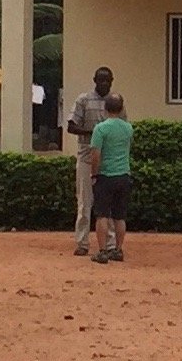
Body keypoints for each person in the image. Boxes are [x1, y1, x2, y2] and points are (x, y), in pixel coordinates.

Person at [65, 66, 113, 256]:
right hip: (86, 156)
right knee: (85, 203)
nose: (104, 84)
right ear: (95, 80)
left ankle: (110, 244)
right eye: (101, 80)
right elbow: (71, 126)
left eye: (108, 80)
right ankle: (82, 243)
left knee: (107, 204)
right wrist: (93, 133)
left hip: (108, 159)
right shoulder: (83, 100)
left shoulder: (115, 101)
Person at [86, 93, 134, 265]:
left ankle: (103, 251)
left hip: (106, 176)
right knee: (120, 216)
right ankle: (118, 250)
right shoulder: (128, 128)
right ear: (121, 108)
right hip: (123, 175)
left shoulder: (100, 129)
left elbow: (95, 154)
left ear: (105, 108)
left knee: (102, 215)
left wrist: (94, 174)